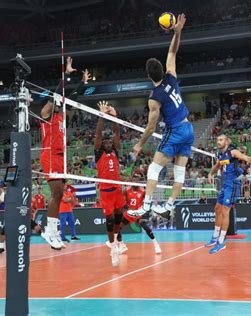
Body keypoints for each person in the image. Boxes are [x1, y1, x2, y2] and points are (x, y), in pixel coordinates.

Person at [128, 14, 193, 220]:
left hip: (174, 131)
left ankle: (146, 205)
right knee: (179, 171)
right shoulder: (171, 75)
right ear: (161, 70)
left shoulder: (154, 98)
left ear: (148, 76)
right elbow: (173, 50)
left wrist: (139, 145)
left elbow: (150, 127)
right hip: (188, 128)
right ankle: (168, 205)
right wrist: (178, 32)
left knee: (153, 168)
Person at [39, 57, 90, 250]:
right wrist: (66, 75)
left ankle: (52, 232)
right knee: (57, 192)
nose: (60, 103)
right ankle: (50, 232)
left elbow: (73, 99)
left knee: (59, 195)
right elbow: (54, 96)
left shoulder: (61, 115)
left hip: (61, 157)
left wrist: (82, 83)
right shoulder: (46, 115)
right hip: (50, 155)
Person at [205, 135, 251, 254]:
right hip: (225, 184)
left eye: (221, 140)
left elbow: (246, 158)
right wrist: (210, 174)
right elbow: (217, 165)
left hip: (233, 183)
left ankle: (221, 242)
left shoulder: (233, 151)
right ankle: (215, 237)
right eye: (217, 140)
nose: (218, 142)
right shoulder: (220, 154)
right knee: (217, 208)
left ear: (226, 141)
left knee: (225, 210)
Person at [95, 102, 125, 267]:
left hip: (118, 191)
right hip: (106, 192)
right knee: (109, 221)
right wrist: (102, 115)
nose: (108, 143)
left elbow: (116, 132)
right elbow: (99, 134)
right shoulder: (99, 153)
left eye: (109, 142)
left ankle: (117, 242)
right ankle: (113, 248)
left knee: (119, 219)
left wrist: (114, 116)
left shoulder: (115, 151)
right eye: (105, 143)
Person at [108, 177, 162, 254]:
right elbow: (123, 202)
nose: (135, 182)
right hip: (129, 213)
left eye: (137, 181)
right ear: (131, 182)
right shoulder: (126, 191)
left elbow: (148, 199)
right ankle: (122, 245)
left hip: (138, 213)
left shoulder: (142, 191)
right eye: (134, 180)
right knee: (117, 228)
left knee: (146, 228)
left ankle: (156, 245)